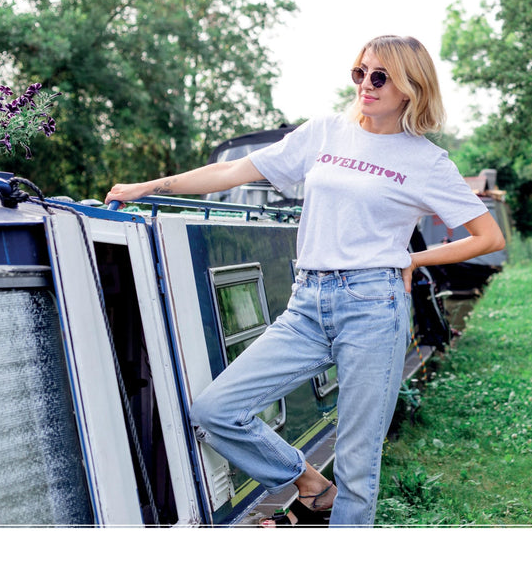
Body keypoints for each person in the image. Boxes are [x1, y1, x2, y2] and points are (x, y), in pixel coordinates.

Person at [105, 34, 505, 526]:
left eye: (379, 76)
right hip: (308, 303)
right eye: (360, 72)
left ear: (409, 87)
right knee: (216, 409)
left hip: (372, 307)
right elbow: (233, 171)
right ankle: (308, 481)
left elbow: (486, 236)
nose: (366, 84)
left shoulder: (426, 162)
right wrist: (150, 187)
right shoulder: (324, 133)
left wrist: (414, 260)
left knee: (359, 466)